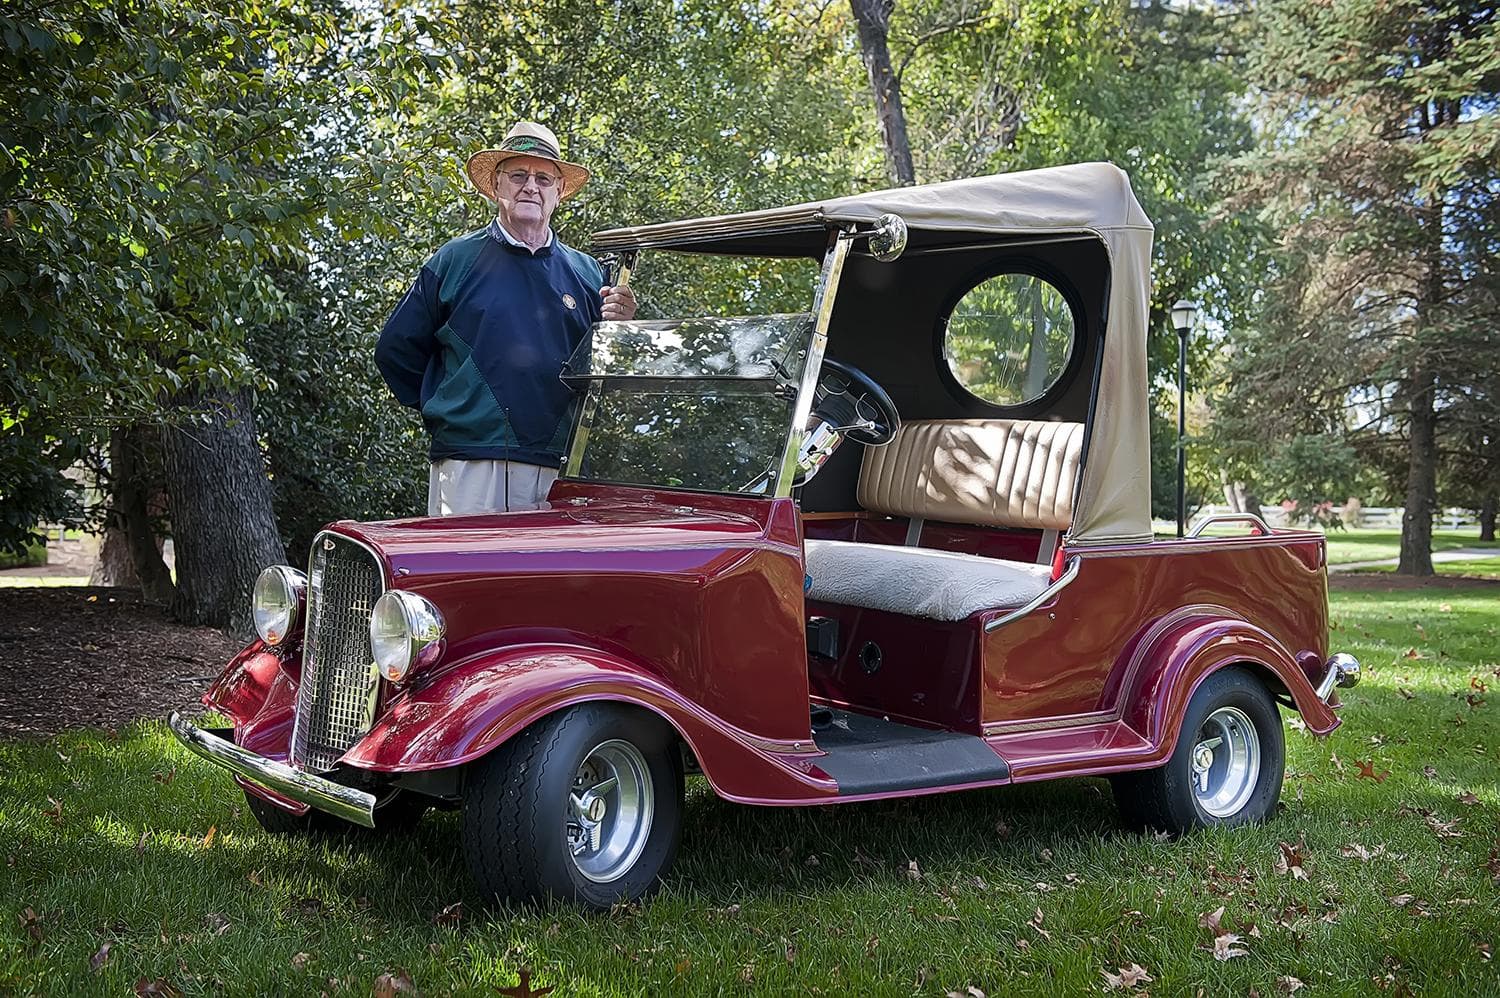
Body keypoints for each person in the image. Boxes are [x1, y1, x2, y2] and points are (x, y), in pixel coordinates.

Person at [375, 121, 637, 515]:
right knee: (466, 557)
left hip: (561, 462)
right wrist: (453, 410)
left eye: (543, 179)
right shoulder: (455, 259)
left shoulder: (589, 273)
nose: (531, 186)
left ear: (558, 192)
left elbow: (606, 371)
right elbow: (395, 351)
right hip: (470, 462)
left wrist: (622, 325)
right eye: (518, 176)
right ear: (497, 185)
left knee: (549, 560)